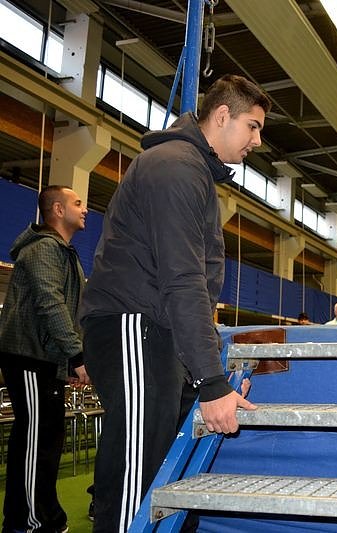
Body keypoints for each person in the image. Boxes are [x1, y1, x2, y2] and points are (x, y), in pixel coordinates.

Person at [78, 74, 269, 532]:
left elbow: (191, 283)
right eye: (253, 126)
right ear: (222, 116)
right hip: (135, 325)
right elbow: (182, 277)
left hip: (154, 330)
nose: (257, 141)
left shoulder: (192, 170)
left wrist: (205, 369)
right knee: (137, 481)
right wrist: (211, 381)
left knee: (162, 473)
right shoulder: (177, 167)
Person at [0, 185, 91, 533]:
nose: (84, 209)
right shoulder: (43, 249)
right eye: (77, 203)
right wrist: (76, 355)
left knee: (45, 437)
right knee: (37, 440)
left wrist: (65, 363)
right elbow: (50, 304)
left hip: (43, 359)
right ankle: (31, 521)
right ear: (57, 208)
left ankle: (37, 516)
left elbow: (61, 308)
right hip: (29, 358)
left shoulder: (60, 251)